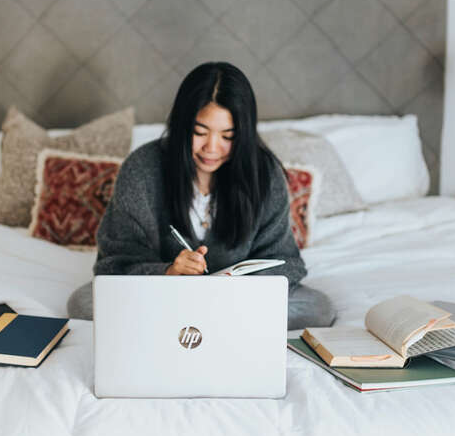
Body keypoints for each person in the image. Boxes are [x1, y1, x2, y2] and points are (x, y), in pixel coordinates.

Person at [67, 62, 336, 330]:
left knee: (318, 308)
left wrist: (236, 287)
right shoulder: (141, 169)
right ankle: (215, 325)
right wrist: (168, 272)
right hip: (161, 293)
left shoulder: (263, 174)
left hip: (236, 300)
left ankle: (187, 324)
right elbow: (114, 264)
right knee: (84, 303)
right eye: (199, 132)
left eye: (228, 136)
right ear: (182, 125)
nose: (212, 148)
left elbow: (286, 261)